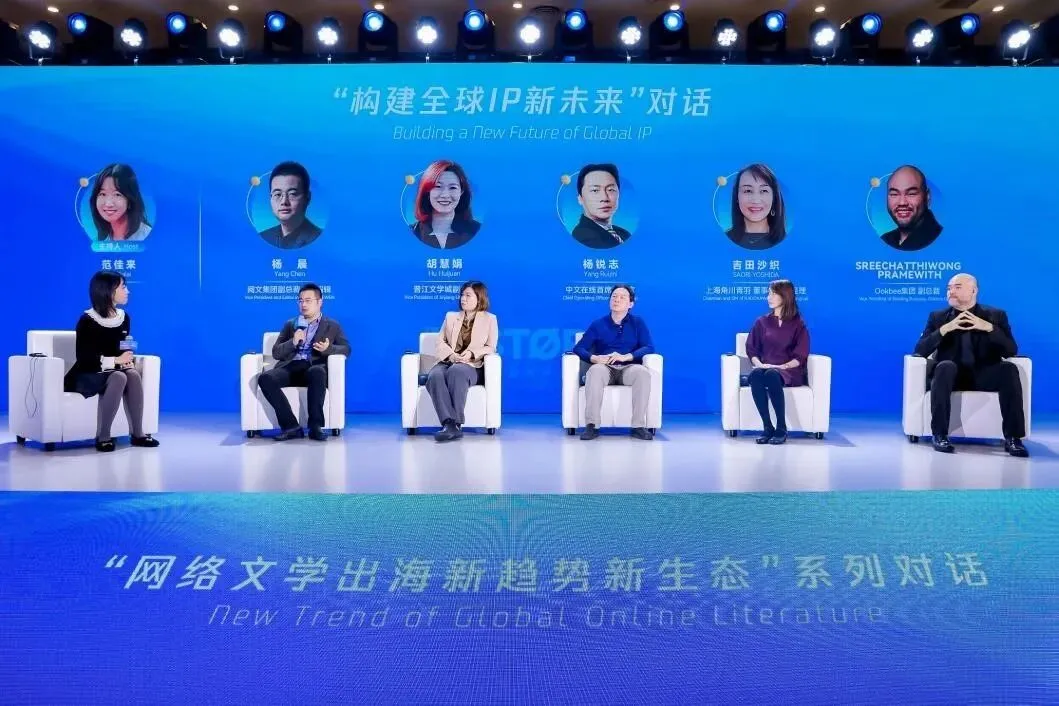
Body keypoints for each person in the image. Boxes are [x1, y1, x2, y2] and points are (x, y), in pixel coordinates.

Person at [914, 273, 1027, 457]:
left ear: (973, 291)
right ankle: (939, 435)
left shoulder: (996, 316)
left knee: (1009, 369)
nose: (950, 292)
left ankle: (1014, 438)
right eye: (949, 288)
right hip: (950, 377)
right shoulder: (937, 317)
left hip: (984, 375)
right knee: (944, 366)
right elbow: (920, 350)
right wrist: (945, 329)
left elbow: (1010, 350)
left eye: (957, 287)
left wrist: (989, 328)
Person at [63, 271, 159, 452]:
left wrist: (126, 359)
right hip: (87, 373)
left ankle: (138, 433)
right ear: (108, 290)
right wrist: (115, 360)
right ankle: (104, 435)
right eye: (123, 287)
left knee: (132, 374)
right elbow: (84, 357)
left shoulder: (124, 317)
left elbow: (121, 346)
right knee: (118, 377)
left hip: (112, 370)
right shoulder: (87, 320)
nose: (127, 291)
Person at [257, 283, 349, 441]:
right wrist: (293, 342)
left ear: (319, 302)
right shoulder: (290, 324)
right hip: (290, 367)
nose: (303, 304)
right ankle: (291, 427)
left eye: (308, 301)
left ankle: (315, 427)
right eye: (300, 301)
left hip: (314, 368)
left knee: (318, 372)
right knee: (265, 378)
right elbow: (276, 352)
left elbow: (346, 349)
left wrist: (328, 348)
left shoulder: (332, 325)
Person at [573, 284, 655, 440]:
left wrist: (627, 356)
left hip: (629, 367)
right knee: (595, 371)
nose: (617, 299)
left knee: (643, 373)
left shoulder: (638, 323)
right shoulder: (598, 324)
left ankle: (638, 426)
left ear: (631, 304)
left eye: (622, 297)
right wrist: (595, 358)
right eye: (614, 296)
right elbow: (579, 348)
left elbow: (649, 347)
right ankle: (592, 426)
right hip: (605, 367)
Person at [425, 281, 499, 442]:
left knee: (457, 371)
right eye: (462, 295)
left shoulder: (490, 319)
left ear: (479, 298)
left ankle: (456, 423)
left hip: (472, 365)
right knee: (434, 376)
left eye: (468, 295)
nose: (463, 299)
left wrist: (471, 354)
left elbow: (491, 347)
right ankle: (449, 424)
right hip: (448, 361)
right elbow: (440, 341)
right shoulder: (451, 317)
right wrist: (451, 356)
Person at [744, 280, 810, 445]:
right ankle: (768, 427)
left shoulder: (798, 324)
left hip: (789, 370)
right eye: (769, 293)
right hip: (765, 367)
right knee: (756, 375)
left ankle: (781, 428)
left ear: (785, 296)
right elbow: (751, 349)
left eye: (774, 294)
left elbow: (801, 355)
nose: (769, 297)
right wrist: (759, 364)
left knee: (772, 374)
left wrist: (783, 366)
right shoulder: (762, 322)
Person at [410, 160, 481, 249]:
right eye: (438, 186)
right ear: (427, 191)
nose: (445, 195)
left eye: (453, 188)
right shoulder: (412, 232)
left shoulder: (477, 231)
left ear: (461, 191)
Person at [259, 162, 323, 249]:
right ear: (271, 198)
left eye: (292, 194)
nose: (284, 202)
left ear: (307, 198)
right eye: (278, 194)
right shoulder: (264, 237)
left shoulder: (319, 239)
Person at [880, 165, 943, 251]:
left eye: (911, 193)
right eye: (894, 194)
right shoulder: (886, 240)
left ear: (927, 196)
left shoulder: (939, 238)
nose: (902, 203)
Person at [726, 163, 786, 250]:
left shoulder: (789, 242)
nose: (756, 200)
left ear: (774, 198)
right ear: (737, 197)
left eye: (764, 191)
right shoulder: (721, 241)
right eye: (748, 191)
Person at [571, 164, 631, 249]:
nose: (604, 198)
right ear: (580, 198)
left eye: (610, 189)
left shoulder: (624, 234)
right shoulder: (584, 238)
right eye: (595, 190)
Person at [91, 164, 152, 242]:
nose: (108, 204)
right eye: (103, 194)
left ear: (130, 199)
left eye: (117, 194)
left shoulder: (146, 236)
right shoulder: (102, 240)